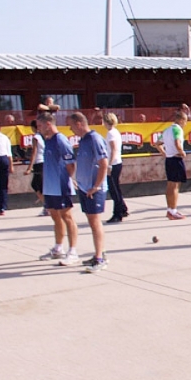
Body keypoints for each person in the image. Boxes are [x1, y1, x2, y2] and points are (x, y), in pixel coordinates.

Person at [36, 111, 79, 265]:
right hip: (50, 187)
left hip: (60, 186)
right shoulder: (47, 140)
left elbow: (70, 164)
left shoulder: (61, 140)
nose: (38, 129)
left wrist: (68, 179)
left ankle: (73, 251)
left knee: (67, 216)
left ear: (48, 124)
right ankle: (58, 248)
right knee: (55, 217)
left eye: (40, 126)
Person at [69, 112, 109, 272]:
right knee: (91, 221)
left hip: (94, 189)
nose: (70, 130)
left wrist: (96, 185)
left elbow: (103, 163)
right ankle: (99, 253)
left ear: (79, 123)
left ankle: (100, 259)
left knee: (95, 222)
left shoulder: (94, 138)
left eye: (71, 126)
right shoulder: (84, 140)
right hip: (85, 188)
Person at [153, 111, 188, 220]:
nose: (185, 124)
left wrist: (164, 153)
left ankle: (169, 209)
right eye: (185, 121)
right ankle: (173, 210)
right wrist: (182, 152)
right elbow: (177, 143)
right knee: (175, 186)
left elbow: (157, 144)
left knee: (169, 185)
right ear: (181, 120)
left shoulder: (167, 130)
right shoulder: (177, 129)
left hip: (169, 159)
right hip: (176, 158)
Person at [103, 113, 128, 223]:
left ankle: (117, 214)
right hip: (117, 162)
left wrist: (109, 165)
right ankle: (123, 208)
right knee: (116, 187)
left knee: (113, 189)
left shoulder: (110, 134)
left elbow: (113, 150)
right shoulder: (115, 132)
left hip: (113, 163)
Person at [24, 120, 47, 216]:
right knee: (36, 184)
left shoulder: (36, 137)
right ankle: (47, 205)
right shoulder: (44, 136)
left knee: (38, 185)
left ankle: (47, 206)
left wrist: (29, 168)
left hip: (39, 162)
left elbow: (34, 152)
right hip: (44, 162)